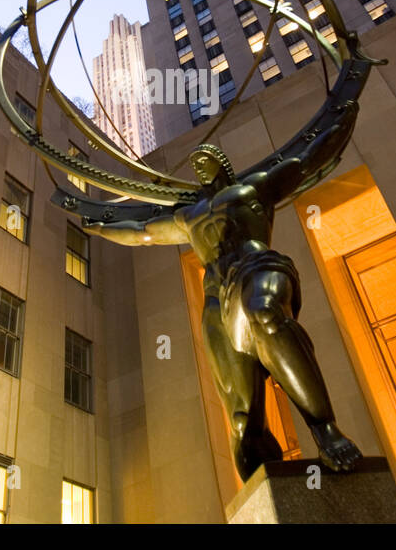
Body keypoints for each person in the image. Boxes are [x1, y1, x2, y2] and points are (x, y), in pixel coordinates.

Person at [81, 123, 363, 481]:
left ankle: (325, 430)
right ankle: (264, 481)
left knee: (265, 312)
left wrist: (347, 102)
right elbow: (143, 233)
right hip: (218, 295)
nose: (199, 166)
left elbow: (307, 159)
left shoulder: (254, 188)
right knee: (242, 418)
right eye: (195, 163)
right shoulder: (188, 215)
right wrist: (98, 225)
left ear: (223, 165)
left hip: (257, 266)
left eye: (206, 159)